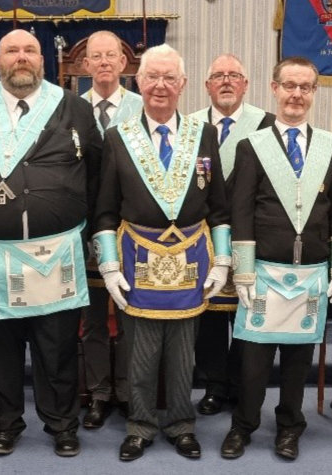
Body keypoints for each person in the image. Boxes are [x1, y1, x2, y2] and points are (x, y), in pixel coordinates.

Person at [0, 29, 103, 458]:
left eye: (30, 51)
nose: (22, 57)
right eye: (12, 51)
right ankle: (4, 425)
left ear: (43, 61)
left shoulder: (75, 108)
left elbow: (95, 173)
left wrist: (89, 233)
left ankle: (62, 424)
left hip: (55, 254)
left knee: (56, 347)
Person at [93, 44, 229, 462]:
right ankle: (140, 425)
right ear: (139, 81)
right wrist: (110, 266)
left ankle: (181, 425)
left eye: (170, 78)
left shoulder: (203, 134)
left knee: (183, 353)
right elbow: (104, 210)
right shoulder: (119, 138)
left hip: (190, 259)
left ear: (184, 85)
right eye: (153, 76)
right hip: (138, 259)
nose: (161, 86)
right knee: (141, 351)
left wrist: (222, 259)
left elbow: (219, 206)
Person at [218, 57, 332, 461]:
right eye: (289, 85)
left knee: (297, 363)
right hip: (262, 273)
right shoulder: (251, 146)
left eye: (305, 87)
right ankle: (243, 426)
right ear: (274, 88)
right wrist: (241, 271)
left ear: (314, 92)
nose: (296, 94)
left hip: (311, 274)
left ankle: (290, 427)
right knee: (252, 363)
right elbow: (240, 210)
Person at [186, 53, 276, 416]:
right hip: (201, 239)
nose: (226, 81)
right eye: (218, 76)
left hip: (248, 239)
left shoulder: (267, 126)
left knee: (244, 314)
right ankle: (213, 384)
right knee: (207, 318)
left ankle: (240, 383)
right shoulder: (188, 126)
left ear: (245, 84)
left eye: (234, 75)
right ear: (207, 85)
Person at [77, 29, 141, 431]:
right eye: (95, 56)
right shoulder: (69, 108)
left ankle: (131, 390)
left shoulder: (142, 106)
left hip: (134, 228)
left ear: (123, 63)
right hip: (85, 227)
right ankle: (99, 393)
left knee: (134, 314)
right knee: (94, 318)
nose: (103, 62)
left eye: (110, 55)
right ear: (85, 65)